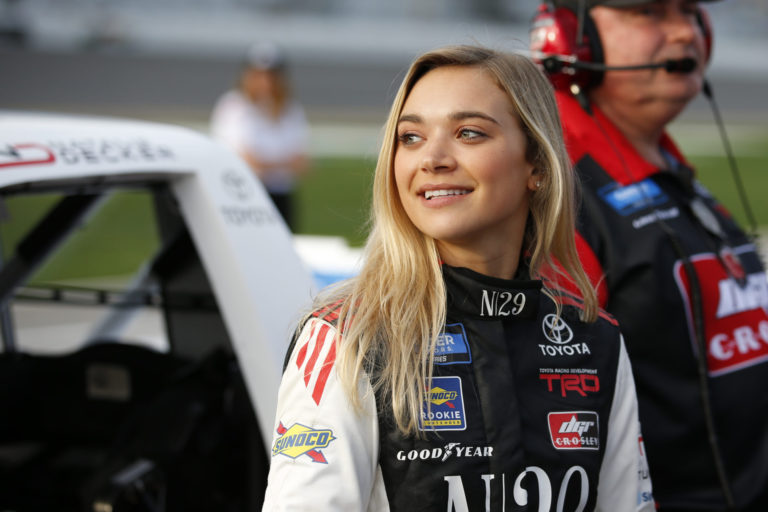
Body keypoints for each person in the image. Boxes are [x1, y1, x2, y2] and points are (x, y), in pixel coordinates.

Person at [262, 45, 654, 511]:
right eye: (410, 138)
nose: (432, 159)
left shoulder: (595, 340)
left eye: (468, 133)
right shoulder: (346, 338)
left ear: (539, 167)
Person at [530, 1, 768, 510]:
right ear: (572, 38)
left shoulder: (658, 157)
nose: (685, 31)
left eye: (690, 11)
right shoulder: (553, 181)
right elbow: (553, 415)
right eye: (650, 12)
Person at [210, 41, 309, 230]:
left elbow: (302, 164)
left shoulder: (291, 110)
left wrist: (266, 163)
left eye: (272, 76)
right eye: (259, 75)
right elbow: (247, 162)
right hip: (244, 197)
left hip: (282, 197)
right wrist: (282, 163)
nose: (266, 82)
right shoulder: (233, 107)